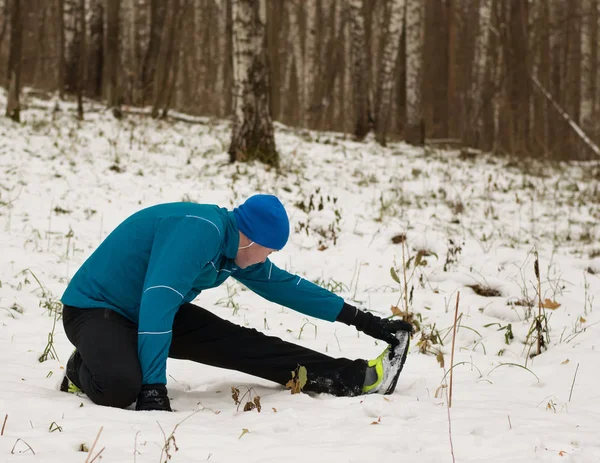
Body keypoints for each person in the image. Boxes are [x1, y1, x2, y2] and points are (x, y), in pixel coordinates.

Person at [60, 194, 412, 411]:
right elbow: (159, 300)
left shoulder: (235, 250)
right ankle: (81, 367)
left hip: (145, 312)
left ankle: (352, 376)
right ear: (252, 237)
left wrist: (365, 321)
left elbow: (289, 288)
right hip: (96, 310)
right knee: (122, 388)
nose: (268, 258)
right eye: (269, 250)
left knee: (243, 344)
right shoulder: (201, 230)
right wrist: (154, 387)